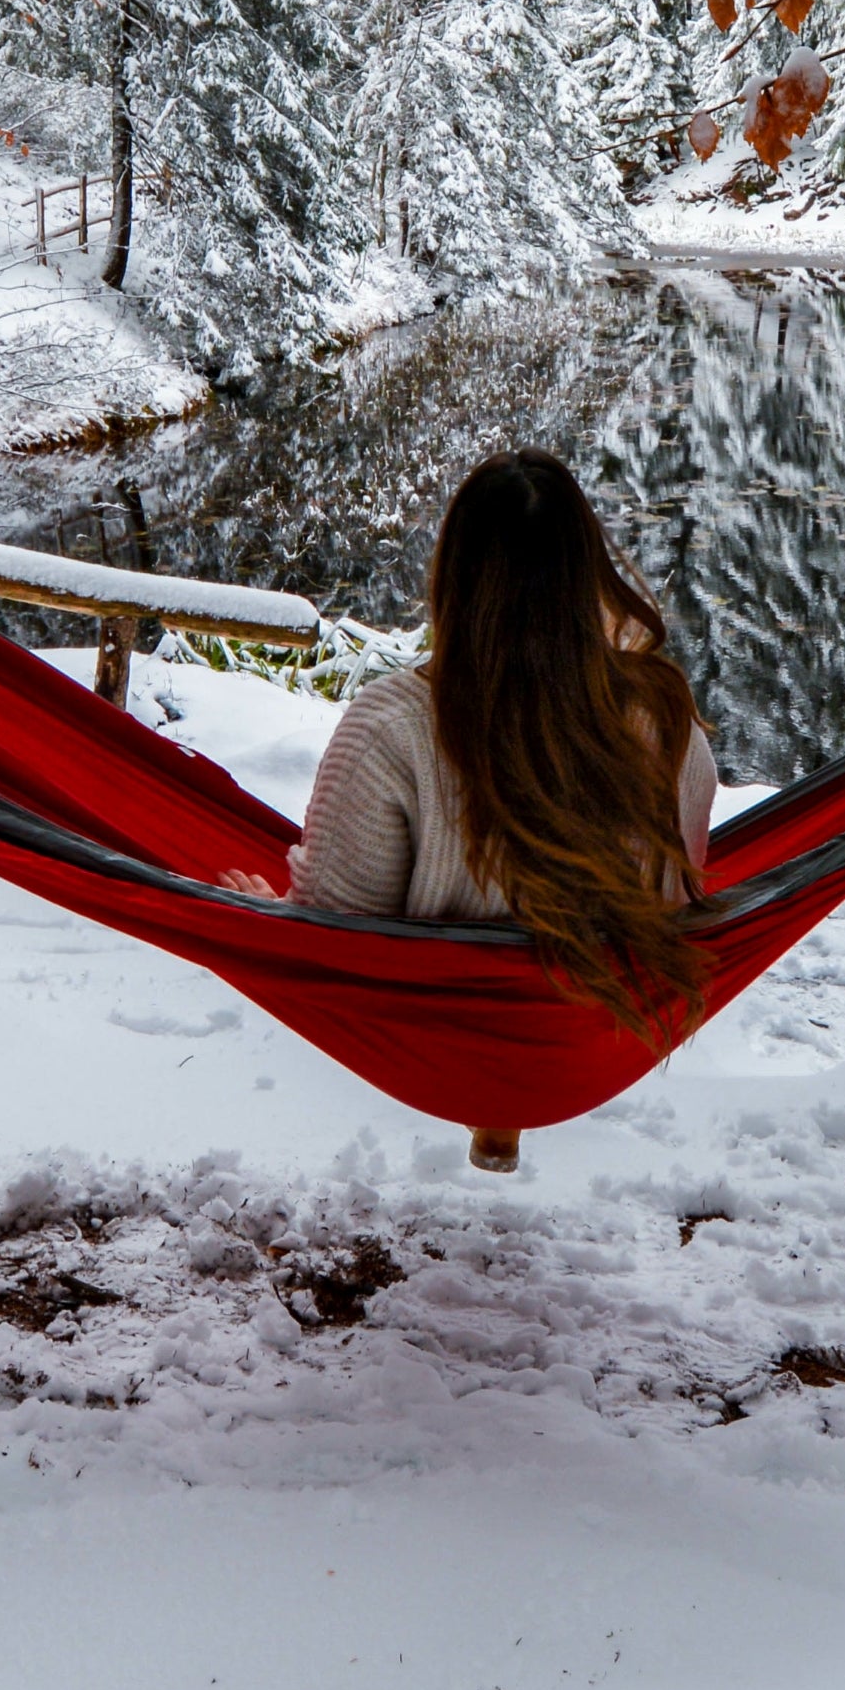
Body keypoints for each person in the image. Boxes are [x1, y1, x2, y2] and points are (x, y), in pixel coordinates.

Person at [243, 451, 716, 1169]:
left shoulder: (391, 729)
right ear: (586, 572)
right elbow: (678, 905)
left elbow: (335, 942)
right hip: (595, 1037)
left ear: (453, 576)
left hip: (435, 1045)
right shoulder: (669, 724)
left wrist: (256, 923)